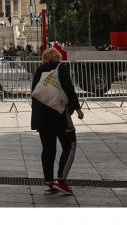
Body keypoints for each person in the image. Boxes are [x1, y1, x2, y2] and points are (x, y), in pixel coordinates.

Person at [31, 47, 83, 196]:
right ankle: (61, 179)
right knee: (70, 144)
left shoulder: (39, 70)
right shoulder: (61, 68)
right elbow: (69, 89)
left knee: (48, 150)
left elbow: (34, 92)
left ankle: (48, 183)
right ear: (58, 57)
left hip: (41, 117)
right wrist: (77, 109)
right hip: (59, 115)